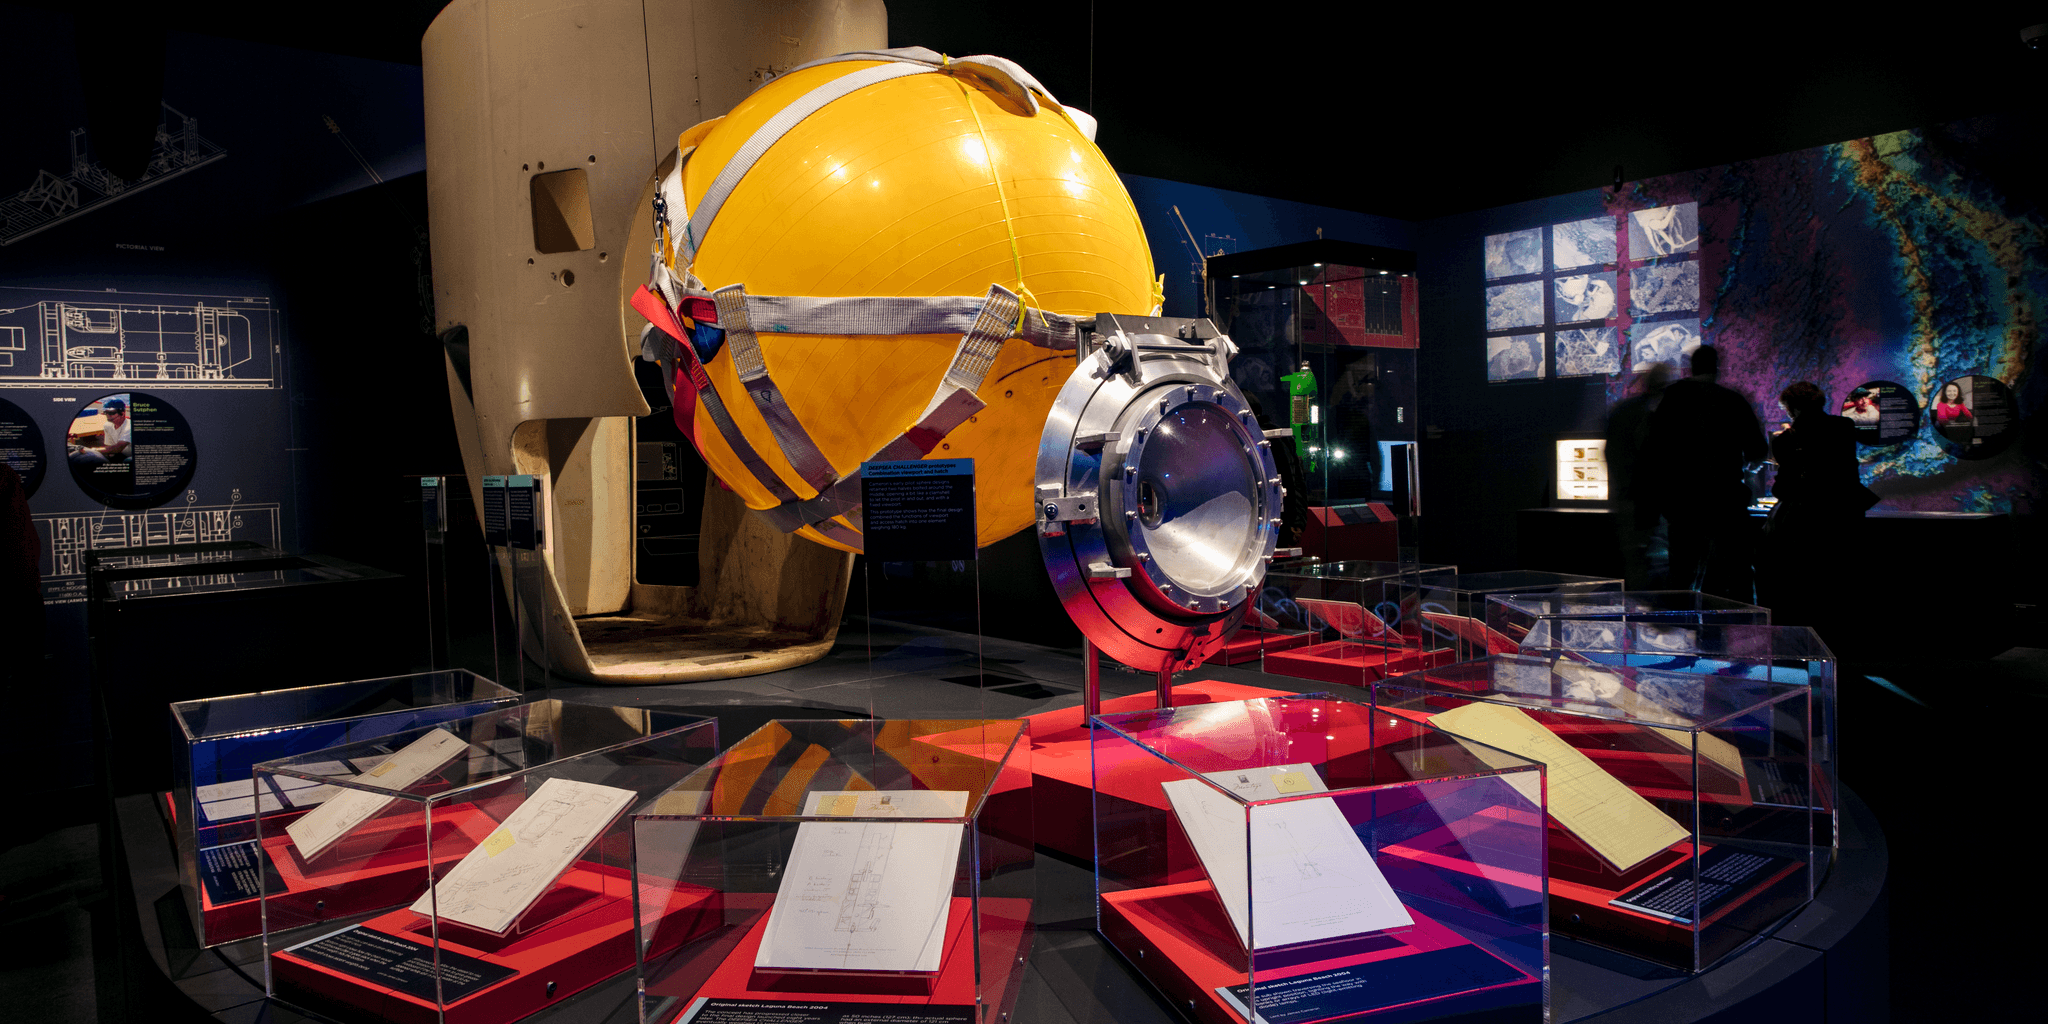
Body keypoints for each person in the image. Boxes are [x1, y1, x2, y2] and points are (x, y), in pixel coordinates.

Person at [1640, 346, 1766, 598]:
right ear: (1717, 367)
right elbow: (1757, 450)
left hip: (1683, 502)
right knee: (1733, 574)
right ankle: (1738, 631)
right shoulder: (1733, 400)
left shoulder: (1672, 399)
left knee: (1681, 574)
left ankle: (1680, 629)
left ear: (1691, 367)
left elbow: (1653, 451)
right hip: (1726, 500)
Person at [1762, 381, 1875, 629]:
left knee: (1802, 588)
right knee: (1839, 586)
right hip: (1843, 518)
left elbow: (1782, 488)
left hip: (1803, 524)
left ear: (1791, 407)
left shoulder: (1785, 440)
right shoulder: (1844, 427)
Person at [1605, 362, 1673, 588]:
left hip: (1629, 500)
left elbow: (1611, 454)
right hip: (1651, 501)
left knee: (1635, 563)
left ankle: (1636, 613)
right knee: (1659, 562)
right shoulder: (1657, 413)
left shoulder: (1623, 411)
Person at [69, 396, 132, 466]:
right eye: (106, 412)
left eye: (111, 413)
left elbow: (118, 448)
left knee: (128, 461)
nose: (108, 415)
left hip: (131, 456)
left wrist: (93, 450)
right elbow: (109, 447)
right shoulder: (108, 426)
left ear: (122, 413)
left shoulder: (129, 427)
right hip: (120, 454)